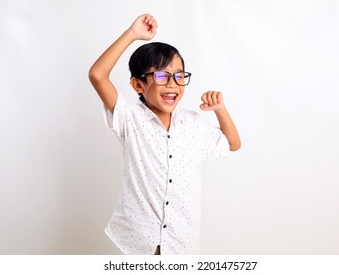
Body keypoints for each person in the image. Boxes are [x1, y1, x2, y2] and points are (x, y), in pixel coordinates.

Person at [89, 14, 241, 255]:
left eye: (179, 76)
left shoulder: (193, 125)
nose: (173, 84)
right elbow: (97, 75)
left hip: (182, 243)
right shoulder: (130, 120)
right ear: (139, 85)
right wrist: (132, 34)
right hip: (139, 243)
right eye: (161, 75)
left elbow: (233, 144)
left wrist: (220, 110)